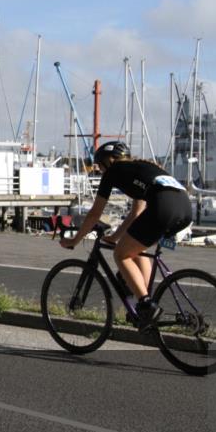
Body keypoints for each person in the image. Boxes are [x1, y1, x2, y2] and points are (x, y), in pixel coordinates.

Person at [59, 141, 191, 331]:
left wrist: (75, 240)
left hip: (164, 208)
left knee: (121, 255)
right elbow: (137, 212)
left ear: (107, 161)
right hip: (185, 209)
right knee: (138, 249)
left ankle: (145, 304)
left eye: (99, 166)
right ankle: (144, 302)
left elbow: (95, 213)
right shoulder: (143, 168)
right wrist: (115, 237)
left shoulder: (114, 171)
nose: (100, 170)